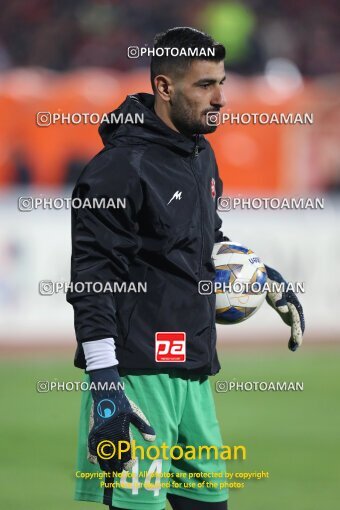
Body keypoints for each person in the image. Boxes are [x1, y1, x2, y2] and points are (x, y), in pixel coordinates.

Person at [67, 26, 305, 510]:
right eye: (204, 85)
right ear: (164, 87)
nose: (220, 98)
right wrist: (106, 388)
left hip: (194, 375)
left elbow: (204, 239)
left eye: (222, 83)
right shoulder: (119, 169)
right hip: (137, 379)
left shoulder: (200, 153)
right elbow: (92, 282)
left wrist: (266, 279)